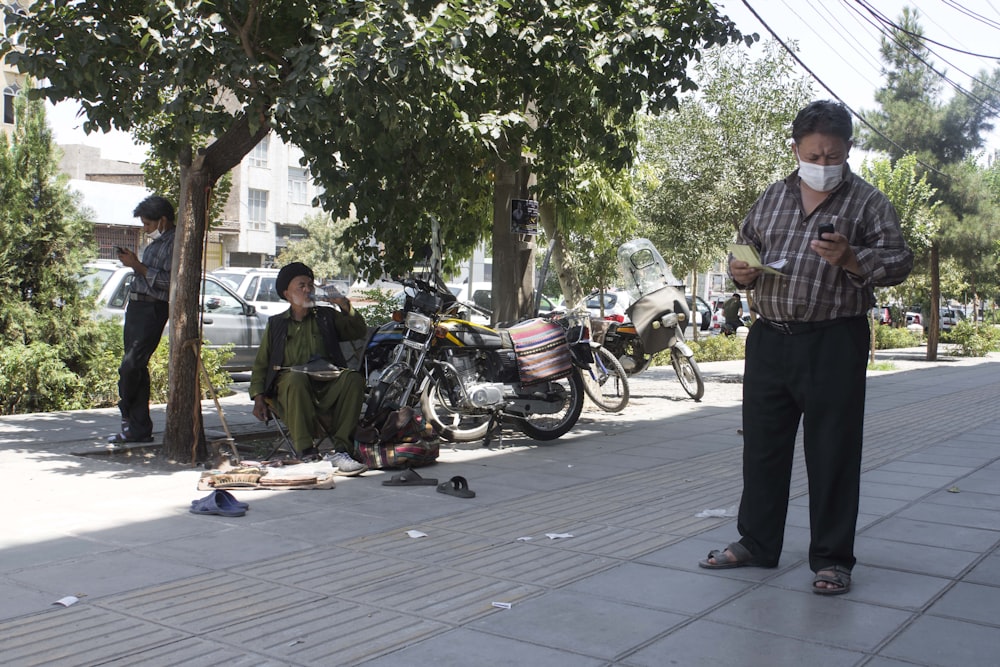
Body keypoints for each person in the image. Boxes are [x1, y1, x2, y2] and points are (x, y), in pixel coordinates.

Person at [698, 101, 913, 595]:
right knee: (762, 447)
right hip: (771, 338)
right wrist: (740, 272)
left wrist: (853, 257)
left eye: (833, 154)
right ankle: (756, 542)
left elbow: (900, 260)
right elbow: (742, 247)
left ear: (848, 150)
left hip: (835, 339)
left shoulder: (867, 202)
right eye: (813, 153)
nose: (823, 162)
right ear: (795, 149)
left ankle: (833, 559)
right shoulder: (772, 198)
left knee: (833, 451)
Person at [249, 262, 369, 475]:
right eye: (301, 286)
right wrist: (258, 398)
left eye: (310, 286)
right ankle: (306, 451)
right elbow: (261, 364)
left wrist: (342, 302)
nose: (307, 290)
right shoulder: (277, 324)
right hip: (291, 389)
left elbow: (358, 330)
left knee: (353, 378)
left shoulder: (326, 317)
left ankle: (341, 450)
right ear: (287, 293)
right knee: (296, 379)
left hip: (327, 383)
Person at [109, 195, 176, 444]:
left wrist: (137, 265)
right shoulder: (154, 245)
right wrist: (135, 264)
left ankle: (127, 412)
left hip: (153, 309)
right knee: (137, 368)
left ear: (163, 220)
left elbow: (170, 282)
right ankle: (138, 428)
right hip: (136, 307)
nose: (146, 230)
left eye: (148, 224)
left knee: (130, 366)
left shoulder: (174, 243)